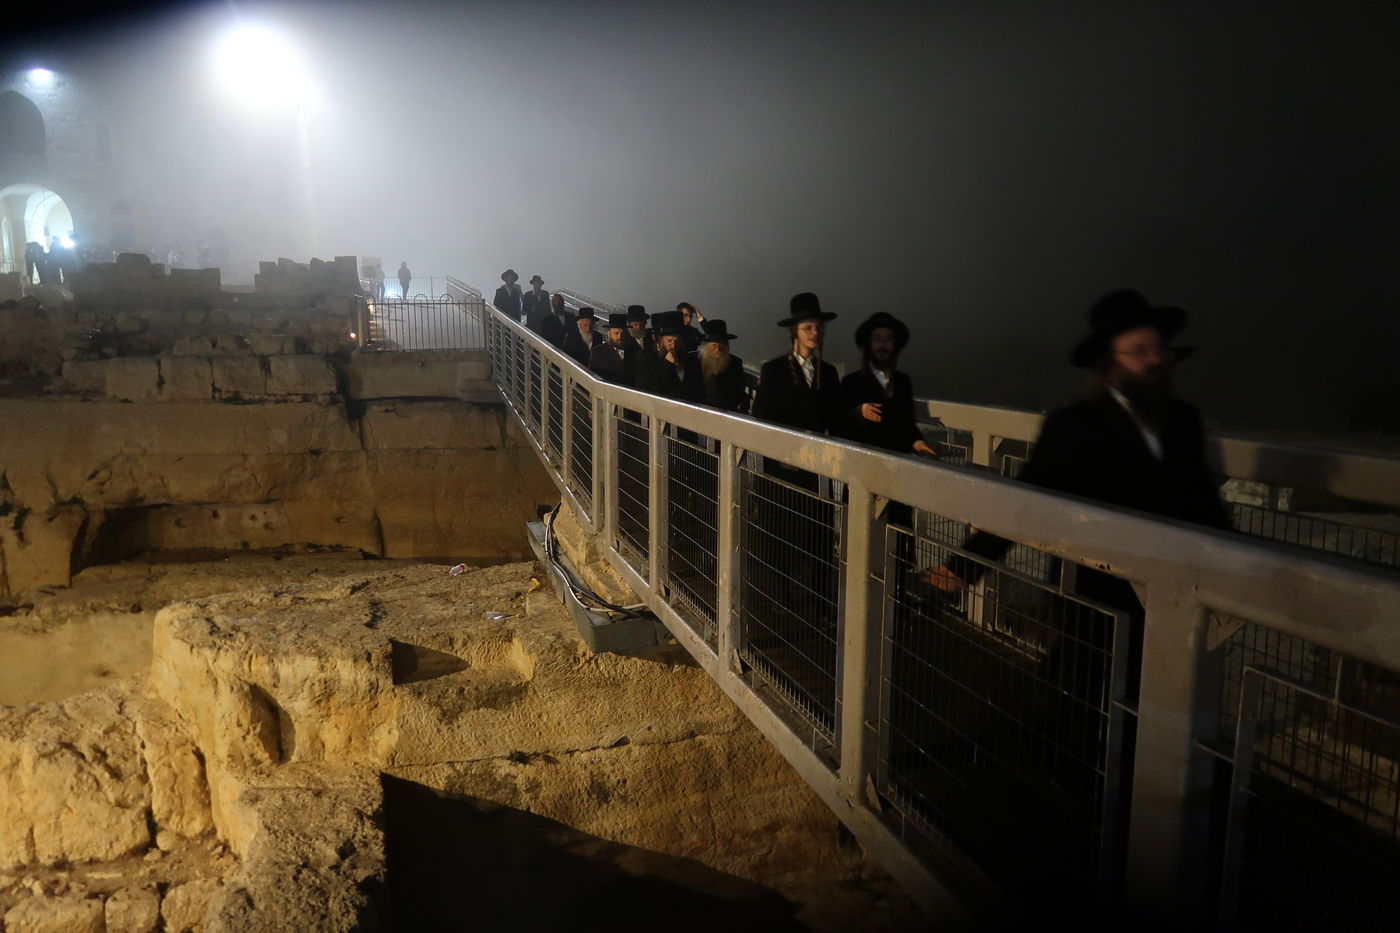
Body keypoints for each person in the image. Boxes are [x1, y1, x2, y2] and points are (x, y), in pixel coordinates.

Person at [752, 292, 842, 478]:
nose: (815, 333)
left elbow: (835, 419)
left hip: (817, 469)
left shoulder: (828, 372)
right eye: (808, 328)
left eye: (818, 328)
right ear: (794, 331)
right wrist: (780, 455)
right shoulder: (773, 369)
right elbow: (762, 416)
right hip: (781, 469)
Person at [839, 312, 938, 459]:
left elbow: (908, 424)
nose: (883, 345)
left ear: (895, 345)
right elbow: (839, 424)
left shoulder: (903, 381)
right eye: (877, 339)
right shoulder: (851, 382)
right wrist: (859, 412)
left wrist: (918, 443)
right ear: (869, 344)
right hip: (862, 466)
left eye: (888, 339)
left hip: (899, 466)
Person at [637, 310, 703, 403]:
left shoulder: (691, 361)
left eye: (677, 341)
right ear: (662, 340)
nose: (674, 346)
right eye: (670, 341)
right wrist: (667, 364)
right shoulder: (646, 359)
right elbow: (647, 393)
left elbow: (698, 391)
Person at [699, 319, 749, 413]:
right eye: (714, 345)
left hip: (728, 413)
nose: (718, 349)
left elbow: (740, 391)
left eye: (721, 345)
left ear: (726, 345)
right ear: (707, 346)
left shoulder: (735, 363)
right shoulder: (696, 363)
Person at [589, 313, 637, 386]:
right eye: (616, 333)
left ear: (627, 334)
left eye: (622, 333)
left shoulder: (635, 351)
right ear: (609, 334)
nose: (620, 337)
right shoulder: (597, 352)